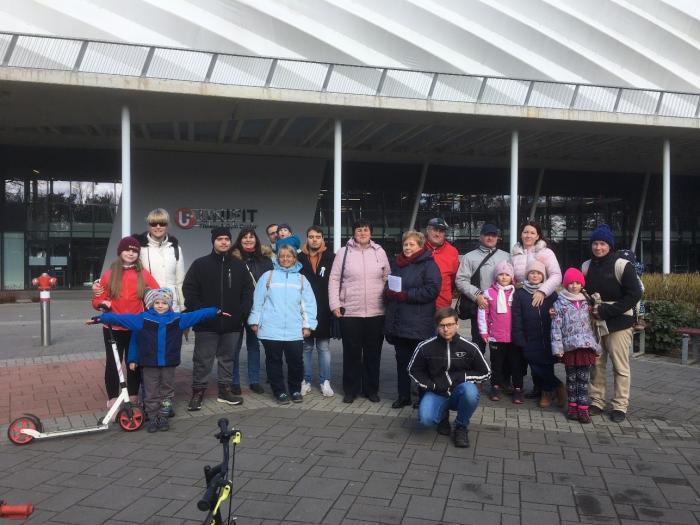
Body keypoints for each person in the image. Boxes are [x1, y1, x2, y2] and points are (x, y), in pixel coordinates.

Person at [90, 288, 228, 432]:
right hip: (149, 364)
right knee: (151, 392)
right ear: (151, 303)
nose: (160, 305)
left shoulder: (178, 319)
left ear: (169, 304)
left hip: (169, 363)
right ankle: (153, 417)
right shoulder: (143, 319)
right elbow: (121, 318)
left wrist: (215, 311)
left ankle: (163, 417)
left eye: (164, 302)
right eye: (157, 302)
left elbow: (197, 315)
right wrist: (101, 318)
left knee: (167, 392)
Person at [183, 227, 254, 411]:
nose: (224, 242)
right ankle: (198, 393)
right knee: (202, 360)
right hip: (206, 324)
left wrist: (241, 313)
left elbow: (248, 291)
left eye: (226, 239)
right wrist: (202, 312)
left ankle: (225, 391)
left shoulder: (239, 266)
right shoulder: (200, 264)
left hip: (232, 324)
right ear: (213, 241)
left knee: (227, 359)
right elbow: (189, 290)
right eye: (220, 239)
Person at [92, 236, 160, 409]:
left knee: (133, 362)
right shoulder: (109, 275)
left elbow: (157, 294)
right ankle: (113, 398)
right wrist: (101, 303)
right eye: (127, 250)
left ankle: (133, 395)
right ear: (120, 252)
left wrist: (155, 310)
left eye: (134, 251)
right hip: (112, 327)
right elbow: (97, 299)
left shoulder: (144, 274)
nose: (131, 253)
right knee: (113, 363)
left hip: (135, 327)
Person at [584, 224, 642, 423]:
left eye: (602, 243)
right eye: (595, 243)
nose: (598, 247)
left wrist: (607, 311)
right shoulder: (586, 266)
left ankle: (620, 405)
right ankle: (596, 401)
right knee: (596, 364)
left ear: (609, 245)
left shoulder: (622, 265)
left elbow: (634, 294)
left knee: (620, 366)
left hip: (619, 323)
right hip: (595, 322)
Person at [408, 307, 491, 448]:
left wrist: (460, 377)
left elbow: (486, 372)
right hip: (436, 391)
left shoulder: (469, 347)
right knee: (426, 420)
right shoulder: (425, 347)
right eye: (442, 325)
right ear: (437, 326)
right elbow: (413, 370)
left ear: (457, 325)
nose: (446, 329)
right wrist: (431, 385)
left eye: (450, 325)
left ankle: (461, 427)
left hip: (459, 391)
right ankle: (442, 416)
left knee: (471, 392)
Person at [328, 220, 390, 404]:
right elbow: (334, 279)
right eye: (359, 230)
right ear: (353, 233)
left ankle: (371, 389)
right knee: (351, 353)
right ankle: (351, 390)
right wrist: (334, 304)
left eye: (366, 230)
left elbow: (387, 278)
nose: (362, 233)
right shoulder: (343, 252)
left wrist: (389, 303)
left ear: (371, 232)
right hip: (350, 311)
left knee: (373, 353)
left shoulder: (380, 251)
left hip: (376, 311)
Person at [248, 245, 317, 404]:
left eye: (289, 256)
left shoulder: (301, 279)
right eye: (282, 256)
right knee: (274, 362)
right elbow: (258, 301)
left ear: (294, 258)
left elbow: (308, 305)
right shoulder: (268, 276)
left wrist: (308, 325)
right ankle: (279, 391)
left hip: (294, 330)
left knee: (296, 362)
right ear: (278, 258)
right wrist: (255, 321)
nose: (285, 259)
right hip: (271, 329)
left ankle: (295, 390)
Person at [384, 230, 441, 408]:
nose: (407, 247)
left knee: (421, 364)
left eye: (411, 244)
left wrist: (406, 295)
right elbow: (389, 284)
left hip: (419, 324)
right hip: (400, 323)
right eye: (405, 244)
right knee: (402, 362)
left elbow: (432, 290)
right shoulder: (398, 264)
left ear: (420, 246)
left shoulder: (429, 265)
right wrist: (388, 291)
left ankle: (423, 397)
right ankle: (403, 396)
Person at [551, 268, 602, 424]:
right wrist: (557, 348)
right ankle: (572, 407)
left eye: (577, 283)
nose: (574, 286)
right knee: (571, 379)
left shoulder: (587, 302)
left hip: (585, 346)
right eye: (571, 283)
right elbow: (555, 327)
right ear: (565, 284)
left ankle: (583, 408)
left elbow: (595, 324)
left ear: (582, 284)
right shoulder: (560, 303)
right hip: (569, 347)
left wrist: (597, 347)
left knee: (583, 379)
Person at [512, 260, 564, 408]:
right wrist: (519, 337)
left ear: (543, 276)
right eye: (532, 273)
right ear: (527, 275)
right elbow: (516, 317)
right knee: (534, 363)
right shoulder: (520, 294)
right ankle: (558, 385)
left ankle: (547, 392)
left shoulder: (550, 293)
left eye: (539, 273)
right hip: (529, 337)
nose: (535, 276)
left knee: (547, 364)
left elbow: (559, 312)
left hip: (548, 337)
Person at [230, 228, 274, 395]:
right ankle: (234, 382)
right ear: (239, 240)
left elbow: (270, 285)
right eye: (245, 237)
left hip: (257, 309)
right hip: (237, 308)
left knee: (254, 346)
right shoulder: (232, 259)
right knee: (234, 347)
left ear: (256, 239)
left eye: (251, 237)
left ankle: (254, 380)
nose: (248, 240)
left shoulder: (265, 260)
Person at [455, 223, 510, 353]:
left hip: (501, 310)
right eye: (487, 235)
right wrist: (477, 295)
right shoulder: (469, 257)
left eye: (493, 235)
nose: (490, 238)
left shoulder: (507, 256)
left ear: (497, 238)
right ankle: (478, 365)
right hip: (479, 306)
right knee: (478, 345)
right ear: (480, 237)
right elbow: (461, 280)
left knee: (500, 347)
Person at [477, 261, 523, 403]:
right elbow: (483, 314)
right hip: (495, 337)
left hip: (514, 337)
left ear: (512, 277)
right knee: (496, 364)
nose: (504, 277)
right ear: (496, 276)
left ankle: (518, 389)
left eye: (507, 275)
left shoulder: (517, 294)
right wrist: (484, 332)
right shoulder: (488, 293)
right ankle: (495, 387)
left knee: (516, 365)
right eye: (501, 274)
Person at [298, 226, 336, 397]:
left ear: (322, 238)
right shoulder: (298, 258)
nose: (314, 239)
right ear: (307, 238)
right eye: (311, 236)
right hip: (303, 309)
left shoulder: (331, 258)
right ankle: (305, 380)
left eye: (318, 236)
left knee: (323, 347)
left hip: (324, 309)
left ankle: (325, 381)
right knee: (306, 347)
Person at [133, 208, 186, 313]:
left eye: (162, 223)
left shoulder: (176, 249)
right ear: (149, 226)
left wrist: (183, 306)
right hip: (148, 306)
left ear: (167, 226)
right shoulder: (139, 249)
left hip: (172, 307)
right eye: (153, 224)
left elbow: (180, 281)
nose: (158, 227)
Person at [424, 218, 459, 309]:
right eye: (435, 230)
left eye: (441, 231)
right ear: (427, 230)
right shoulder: (417, 248)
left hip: (442, 305)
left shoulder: (452, 251)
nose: (437, 234)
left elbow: (454, 279)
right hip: (420, 304)